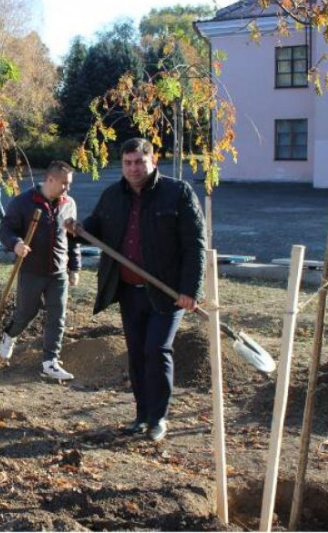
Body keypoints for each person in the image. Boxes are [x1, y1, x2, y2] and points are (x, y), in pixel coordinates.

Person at [67, 137, 205, 442]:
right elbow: (95, 231)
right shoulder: (113, 196)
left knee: (156, 350)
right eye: (127, 163)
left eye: (139, 162)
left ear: (152, 161)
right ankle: (141, 415)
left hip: (166, 292)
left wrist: (190, 290)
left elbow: (195, 245)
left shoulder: (177, 193)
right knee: (137, 355)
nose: (133, 168)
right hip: (129, 290)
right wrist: (77, 231)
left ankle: (158, 418)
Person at [0, 160, 81, 381]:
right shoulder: (24, 202)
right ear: (50, 180)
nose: (67, 188)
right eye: (64, 183)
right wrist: (15, 244)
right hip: (31, 271)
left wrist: (74, 267)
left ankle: (50, 362)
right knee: (26, 313)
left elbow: (73, 239)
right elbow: (5, 229)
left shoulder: (68, 203)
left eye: (69, 184)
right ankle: (9, 335)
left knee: (57, 315)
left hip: (58, 272)